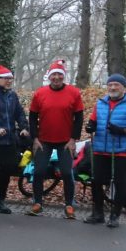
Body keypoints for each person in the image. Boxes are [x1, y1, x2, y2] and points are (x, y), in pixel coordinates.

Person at [84, 74, 126, 227]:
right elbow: (93, 121)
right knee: (96, 181)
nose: (112, 88)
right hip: (99, 148)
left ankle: (115, 215)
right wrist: (90, 127)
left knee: (119, 183)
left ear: (123, 87)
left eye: (116, 85)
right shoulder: (100, 103)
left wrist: (122, 130)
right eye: (110, 85)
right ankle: (98, 213)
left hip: (121, 149)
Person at [28, 60, 84, 218]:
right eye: (54, 75)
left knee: (66, 172)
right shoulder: (40, 93)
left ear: (64, 76)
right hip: (43, 140)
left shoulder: (74, 93)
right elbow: (32, 117)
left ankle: (69, 205)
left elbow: (79, 118)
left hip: (65, 141)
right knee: (38, 171)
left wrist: (73, 139)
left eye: (60, 74)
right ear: (49, 77)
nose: (57, 77)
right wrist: (35, 138)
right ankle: (37, 203)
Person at [0, 65, 29, 214]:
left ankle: (0, 201)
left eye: (10, 78)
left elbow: (19, 113)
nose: (9, 81)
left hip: (9, 142)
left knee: (7, 169)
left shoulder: (12, 95)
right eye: (6, 78)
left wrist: (23, 127)